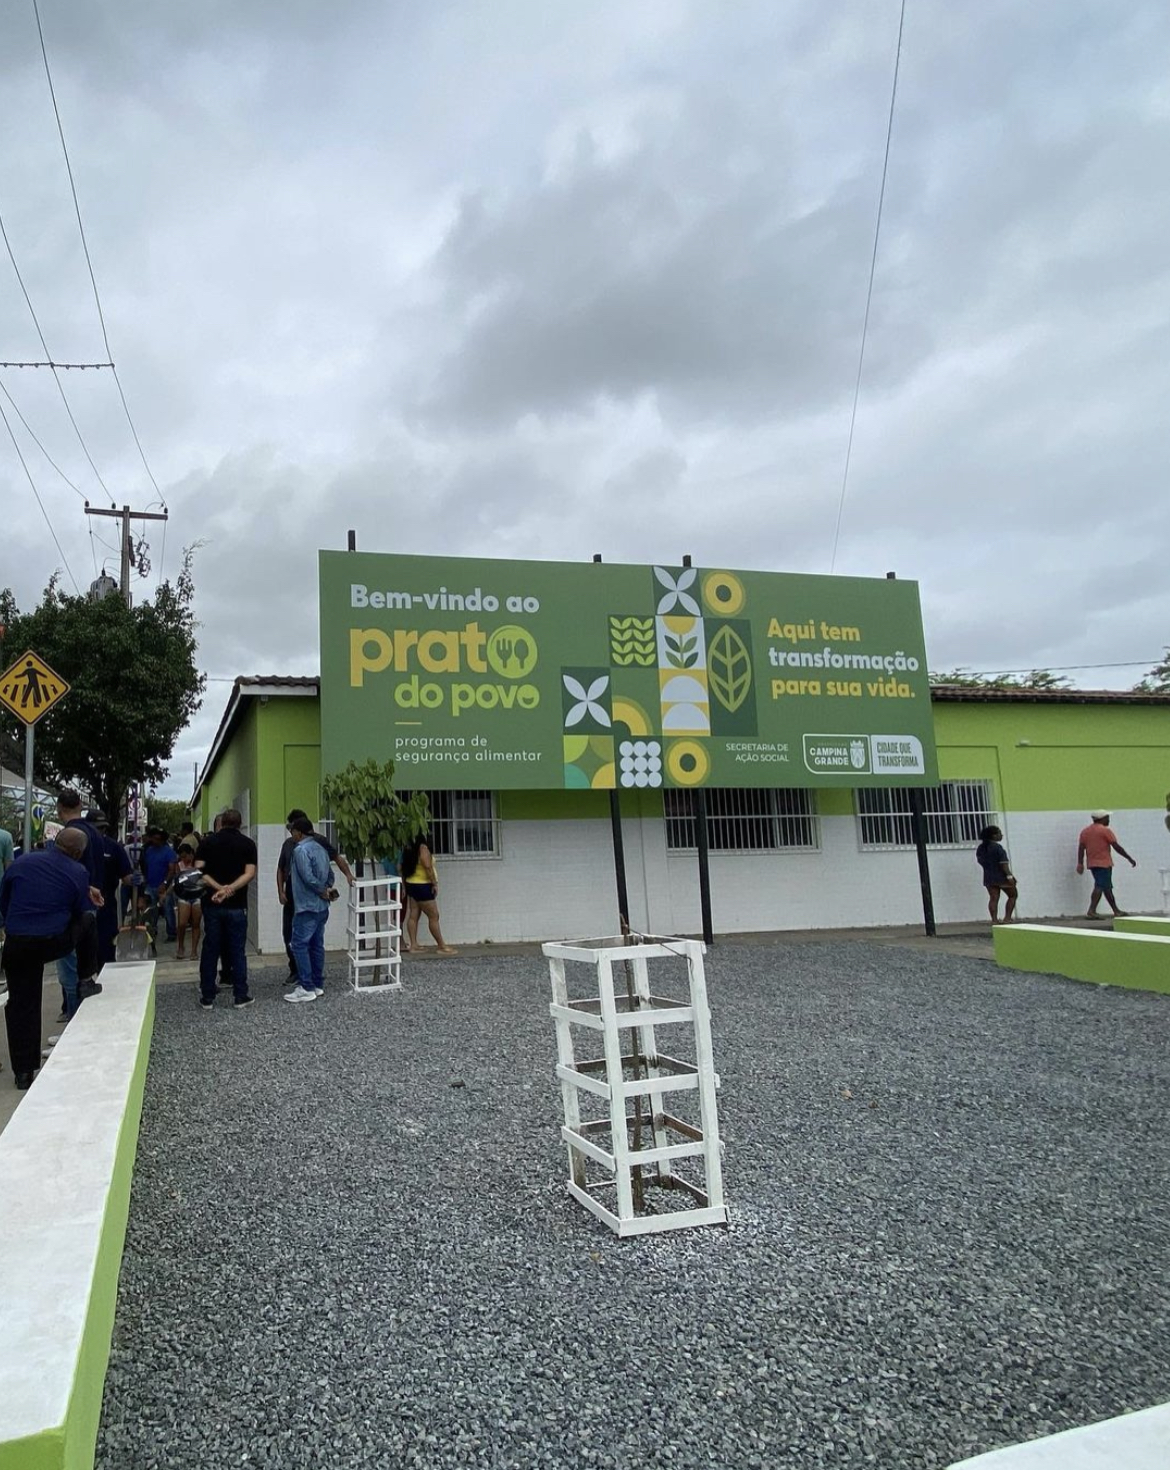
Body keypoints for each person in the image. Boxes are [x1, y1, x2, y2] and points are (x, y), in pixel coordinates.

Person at [1, 828, 99, 1089]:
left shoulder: (22, 861)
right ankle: (86, 978)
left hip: (17, 943)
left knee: (22, 1004)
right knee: (89, 918)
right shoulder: (78, 872)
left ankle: (23, 1073)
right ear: (78, 853)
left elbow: (5, 901)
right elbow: (80, 909)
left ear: (55, 842)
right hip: (52, 941)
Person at [276, 809, 354, 983]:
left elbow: (315, 872)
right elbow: (281, 869)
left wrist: (346, 875)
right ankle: (301, 972)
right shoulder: (289, 844)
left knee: (305, 941)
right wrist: (280, 891)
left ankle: (308, 981)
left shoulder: (312, 845)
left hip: (309, 899)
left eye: (292, 827)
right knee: (291, 935)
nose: (290, 831)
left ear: (299, 828)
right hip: (293, 895)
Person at [194, 809, 257, 1009]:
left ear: (221, 823)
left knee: (210, 948)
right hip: (237, 905)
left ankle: (207, 996)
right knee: (237, 950)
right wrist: (230, 889)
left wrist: (219, 888)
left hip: (211, 903)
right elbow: (250, 873)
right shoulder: (248, 844)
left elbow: (199, 871)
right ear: (240, 823)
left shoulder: (206, 843)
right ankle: (240, 995)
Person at [55, 790, 105, 1017]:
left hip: (71, 908)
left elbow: (64, 873)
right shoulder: (94, 833)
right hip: (91, 902)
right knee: (85, 968)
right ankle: (79, 1020)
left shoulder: (69, 834)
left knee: (70, 970)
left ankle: (72, 1022)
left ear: (59, 808)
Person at [285, 818, 334, 1003]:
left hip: (306, 905)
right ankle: (317, 984)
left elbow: (307, 877)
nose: (291, 835)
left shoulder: (300, 850)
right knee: (316, 944)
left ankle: (306, 987)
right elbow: (330, 874)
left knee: (299, 944)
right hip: (322, 907)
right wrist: (327, 889)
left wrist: (321, 891)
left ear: (299, 832)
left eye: (292, 831)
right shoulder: (320, 848)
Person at [90, 813, 134, 968]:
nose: (100, 831)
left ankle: (106, 984)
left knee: (107, 948)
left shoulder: (113, 847)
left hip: (106, 903)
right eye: (97, 828)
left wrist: (136, 880)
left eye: (103, 828)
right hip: (81, 905)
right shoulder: (77, 845)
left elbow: (126, 876)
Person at [400, 835, 456, 955]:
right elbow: (428, 866)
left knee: (413, 915)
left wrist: (405, 886)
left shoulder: (409, 848)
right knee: (434, 916)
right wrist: (434, 883)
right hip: (423, 885)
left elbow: (403, 867)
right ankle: (441, 945)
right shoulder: (423, 848)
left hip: (411, 884)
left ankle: (413, 945)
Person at [1077, 809, 1137, 918]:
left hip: (1092, 863)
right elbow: (1116, 846)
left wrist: (1080, 863)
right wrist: (1129, 858)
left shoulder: (1085, 831)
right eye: (1107, 818)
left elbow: (1081, 848)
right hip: (1104, 863)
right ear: (1102, 819)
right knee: (1100, 886)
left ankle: (1116, 910)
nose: (1109, 820)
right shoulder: (1105, 831)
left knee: (1107, 887)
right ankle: (1092, 910)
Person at [140, 827, 178, 942]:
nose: (154, 841)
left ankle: (171, 933)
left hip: (163, 887)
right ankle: (152, 930)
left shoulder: (168, 852)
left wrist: (165, 883)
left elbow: (172, 870)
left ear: (162, 840)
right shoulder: (148, 851)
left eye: (157, 839)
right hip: (151, 884)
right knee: (152, 911)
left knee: (168, 910)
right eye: (153, 838)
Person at [975, 825, 1018, 924]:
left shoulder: (981, 848)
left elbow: (980, 861)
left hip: (989, 876)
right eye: (999, 833)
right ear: (994, 836)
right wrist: (1009, 876)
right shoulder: (998, 848)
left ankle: (994, 920)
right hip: (1002, 877)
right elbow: (1004, 864)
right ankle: (1007, 918)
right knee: (1013, 895)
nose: (1001, 835)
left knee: (993, 898)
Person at [174, 843, 204, 960]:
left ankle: (194, 950)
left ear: (191, 854)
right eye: (182, 857)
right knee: (182, 923)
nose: (184, 860)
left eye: (185, 856)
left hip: (197, 896)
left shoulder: (199, 864)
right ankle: (181, 946)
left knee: (196, 923)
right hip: (184, 896)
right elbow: (176, 881)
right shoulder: (179, 865)